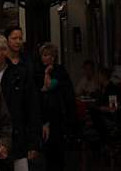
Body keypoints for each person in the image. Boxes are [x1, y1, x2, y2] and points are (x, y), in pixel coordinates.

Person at [0, 33, 40, 171]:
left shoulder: (21, 75)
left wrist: (33, 143)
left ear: (4, 51)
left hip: (18, 139)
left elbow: (32, 109)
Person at [36, 43, 76, 171]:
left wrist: (47, 73)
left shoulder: (59, 71)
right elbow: (40, 90)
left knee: (57, 151)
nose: (43, 58)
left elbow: (49, 86)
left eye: (46, 55)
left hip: (59, 118)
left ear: (53, 57)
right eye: (42, 55)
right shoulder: (39, 70)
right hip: (46, 116)